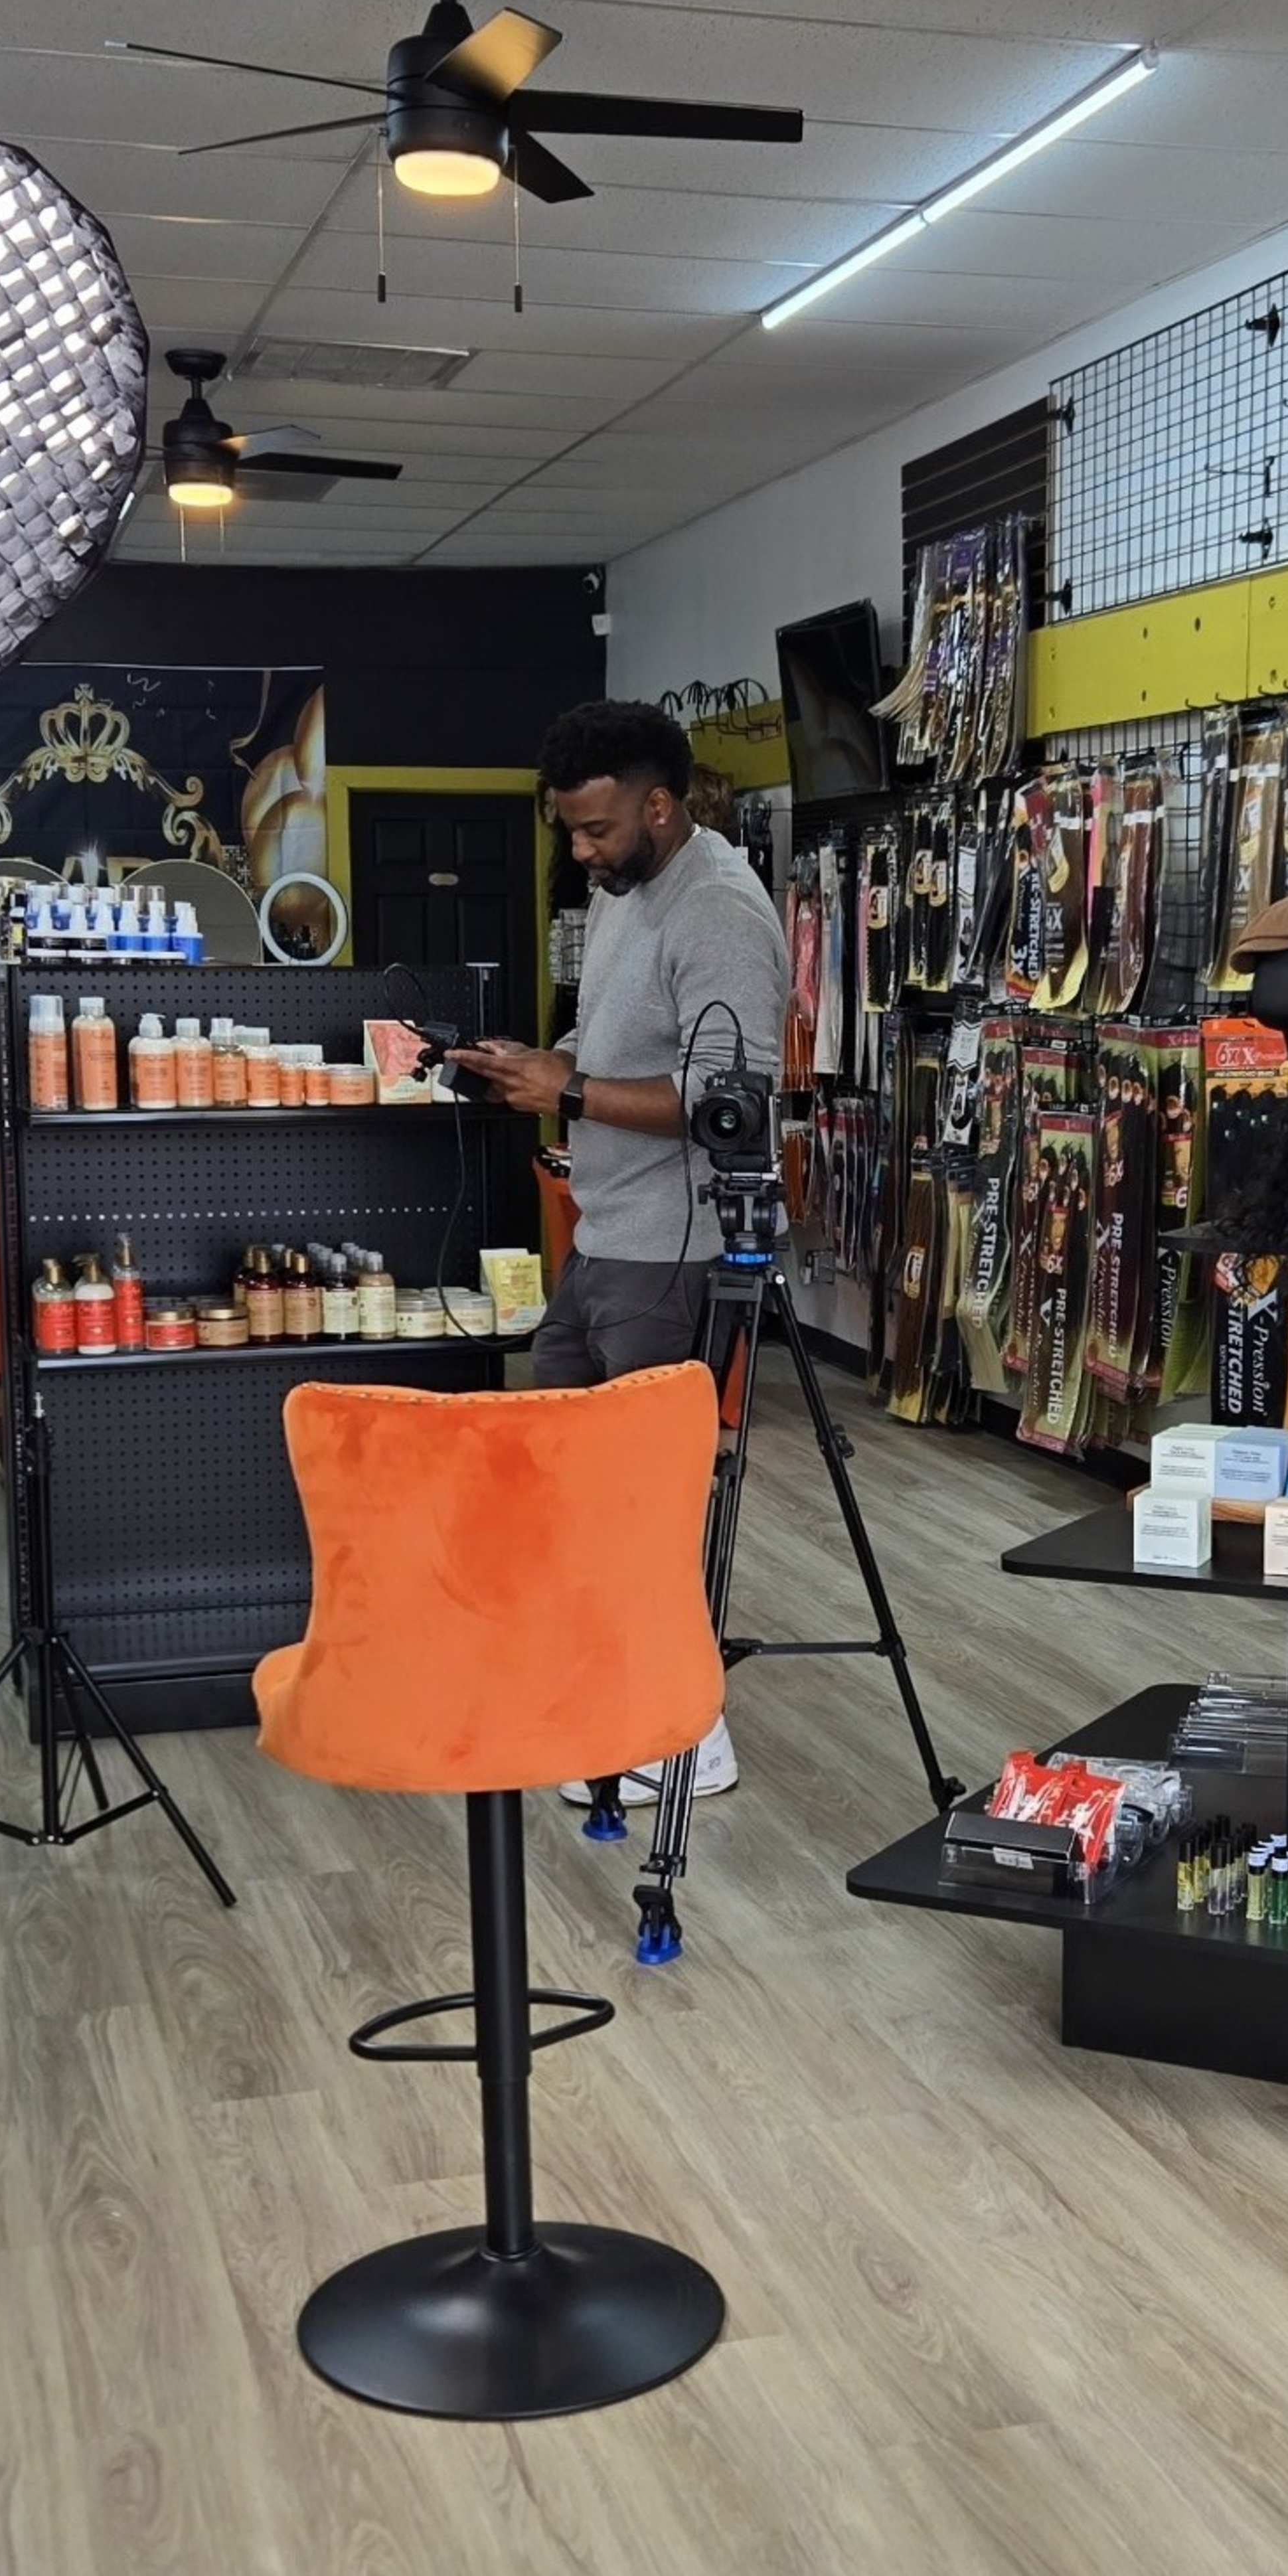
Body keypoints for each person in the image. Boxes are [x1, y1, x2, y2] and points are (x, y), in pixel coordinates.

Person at [455, 698, 789, 1804]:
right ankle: (606, 1698)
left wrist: (575, 1089)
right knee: (571, 1488)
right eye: (569, 829)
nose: (580, 850)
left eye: (596, 828)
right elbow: (613, 1054)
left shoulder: (721, 913)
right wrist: (539, 1064)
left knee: (647, 1497)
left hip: (680, 1252)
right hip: (605, 1235)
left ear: (660, 804)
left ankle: (690, 1730)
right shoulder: (621, 893)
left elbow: (728, 1101)